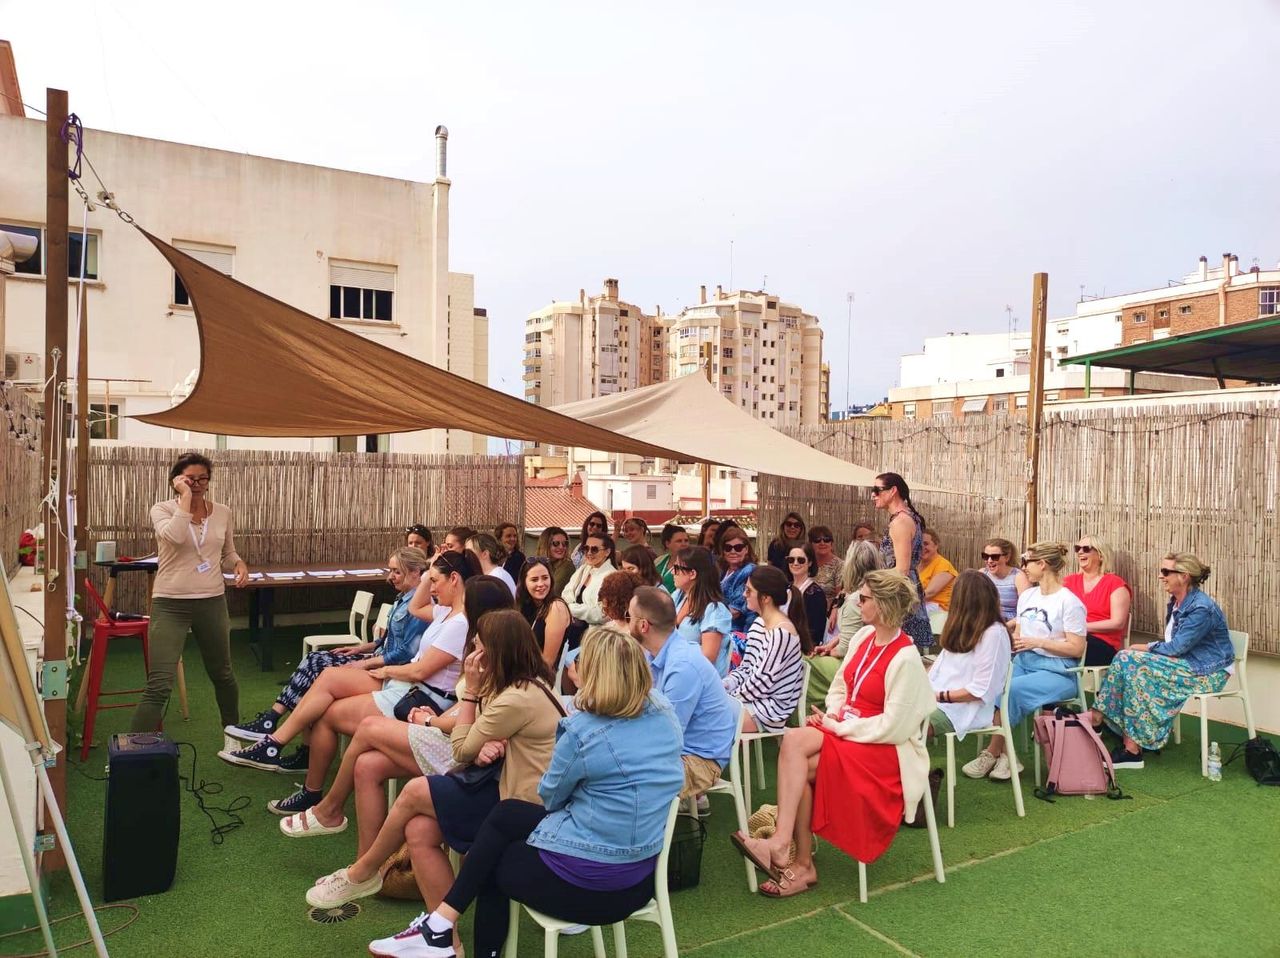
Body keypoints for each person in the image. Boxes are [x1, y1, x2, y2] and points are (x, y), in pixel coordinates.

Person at [367, 628, 683, 958]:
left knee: (488, 856)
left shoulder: (583, 731)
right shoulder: (664, 713)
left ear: (595, 676)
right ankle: (439, 927)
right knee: (506, 815)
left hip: (590, 887)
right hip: (640, 878)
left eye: (580, 663)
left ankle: (446, 936)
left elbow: (551, 797)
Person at [307, 610, 564, 958]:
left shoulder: (516, 696)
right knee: (419, 830)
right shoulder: (526, 684)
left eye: (479, 646)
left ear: (497, 652)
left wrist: (471, 694)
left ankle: (364, 872)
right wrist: (478, 728)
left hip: (519, 806)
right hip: (508, 791)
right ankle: (445, 940)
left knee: (414, 790)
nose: (472, 653)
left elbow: (461, 749)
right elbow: (473, 740)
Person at [731, 569, 934, 898]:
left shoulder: (906, 657)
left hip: (882, 749)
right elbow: (840, 688)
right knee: (794, 742)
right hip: (849, 731)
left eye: (863, 598)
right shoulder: (863, 638)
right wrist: (835, 714)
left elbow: (894, 727)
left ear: (883, 605)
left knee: (800, 767)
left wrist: (839, 725)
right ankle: (786, 849)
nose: (856, 602)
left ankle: (795, 857)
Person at [218, 552, 474, 809]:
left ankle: (308, 788)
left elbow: (420, 671)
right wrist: (430, 569)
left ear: (454, 579)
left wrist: (386, 670)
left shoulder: (459, 622)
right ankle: (273, 744)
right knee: (328, 676)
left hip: (418, 694)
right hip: (406, 683)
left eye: (435, 581)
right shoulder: (445, 611)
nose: (431, 588)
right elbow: (414, 608)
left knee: (327, 715)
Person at [278, 578, 514, 847]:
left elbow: (475, 718)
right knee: (367, 765)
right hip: (452, 731)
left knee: (368, 726)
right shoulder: (480, 645)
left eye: (466, 602)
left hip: (464, 752)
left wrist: (429, 720)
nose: (461, 606)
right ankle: (366, 861)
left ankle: (329, 808)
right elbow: (467, 708)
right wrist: (435, 719)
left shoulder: (490, 657)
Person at [225, 547, 430, 760]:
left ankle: (281, 732)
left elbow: (406, 652)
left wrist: (366, 663)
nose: (390, 577)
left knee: (317, 667)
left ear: (416, 572)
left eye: (397, 571)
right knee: (313, 660)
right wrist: (361, 648)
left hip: (387, 669)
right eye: (391, 570)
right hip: (376, 659)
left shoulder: (418, 607)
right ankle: (278, 727)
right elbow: (387, 640)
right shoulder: (403, 597)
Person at [131, 453, 249, 733]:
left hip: (212, 601)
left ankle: (233, 735)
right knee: (159, 683)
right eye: (189, 479)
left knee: (222, 674)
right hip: (170, 603)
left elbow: (227, 552)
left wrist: (239, 563)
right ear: (176, 481)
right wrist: (185, 498)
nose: (196, 484)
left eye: (202, 479)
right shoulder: (162, 509)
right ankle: (133, 748)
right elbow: (174, 536)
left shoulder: (222, 512)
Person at [1092, 552, 1234, 769]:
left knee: (1129, 659)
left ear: (1184, 576)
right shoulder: (1176, 602)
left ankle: (1116, 736)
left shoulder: (1200, 608)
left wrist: (1145, 647)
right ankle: (1116, 732)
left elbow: (1176, 648)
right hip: (1185, 664)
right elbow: (1175, 648)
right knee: (1126, 660)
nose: (1161, 576)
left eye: (1166, 572)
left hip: (1207, 673)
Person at [963, 542, 1086, 782]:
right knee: (994, 686)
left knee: (1011, 690)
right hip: (1024, 663)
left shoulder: (1069, 602)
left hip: (1059, 672)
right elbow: (1019, 635)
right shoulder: (1028, 596)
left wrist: (1038, 642)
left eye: (1026, 562)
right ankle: (1007, 757)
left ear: (1042, 564)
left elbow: (1077, 647)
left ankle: (995, 752)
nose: (1022, 567)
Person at [630, 586, 738, 803]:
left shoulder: (682, 666)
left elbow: (666, 736)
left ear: (643, 625)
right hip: (681, 751)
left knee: (616, 773)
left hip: (699, 761)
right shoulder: (657, 654)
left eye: (629, 617)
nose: (627, 622)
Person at [724, 565, 811, 733]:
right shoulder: (758, 624)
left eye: (749, 591)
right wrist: (726, 685)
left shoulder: (782, 633)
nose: (744, 595)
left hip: (768, 711)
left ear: (765, 598)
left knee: (708, 716)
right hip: (752, 700)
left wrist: (730, 697)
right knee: (705, 708)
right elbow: (746, 668)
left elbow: (763, 682)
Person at [927, 571, 1012, 740]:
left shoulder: (994, 633)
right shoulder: (961, 628)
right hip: (936, 700)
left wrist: (939, 696)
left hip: (963, 710)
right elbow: (937, 670)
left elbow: (981, 690)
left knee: (907, 726)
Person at [807, 540, 883, 711]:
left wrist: (828, 652)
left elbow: (846, 649)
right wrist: (831, 644)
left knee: (804, 662)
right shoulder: (876, 594)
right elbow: (861, 631)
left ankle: (810, 710)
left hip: (855, 664)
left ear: (850, 566)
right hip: (871, 659)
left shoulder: (855, 600)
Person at [871, 472, 933, 649]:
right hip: (907, 590)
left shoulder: (900, 522)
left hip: (899, 596)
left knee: (899, 649)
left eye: (877, 490)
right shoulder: (909, 517)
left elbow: (901, 570)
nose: (873, 495)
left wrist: (876, 586)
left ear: (893, 491)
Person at [1062, 535, 1131, 667]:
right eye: (1077, 548)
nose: (1080, 552)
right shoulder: (1068, 582)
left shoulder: (1115, 584)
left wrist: (1080, 627)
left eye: (1086, 549)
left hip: (1101, 643)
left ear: (1101, 555)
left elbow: (1117, 623)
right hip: (1070, 636)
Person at [670, 546, 734, 675]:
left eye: (676, 568)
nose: (672, 572)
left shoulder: (715, 610)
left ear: (692, 574)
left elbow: (708, 656)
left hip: (700, 677)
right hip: (677, 669)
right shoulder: (678, 596)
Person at [516, 558, 572, 672]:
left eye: (545, 578)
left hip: (542, 675)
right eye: (534, 580)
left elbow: (547, 662)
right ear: (524, 583)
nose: (541, 584)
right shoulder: (524, 605)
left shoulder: (556, 608)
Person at [561, 532, 616, 628]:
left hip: (595, 632)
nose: (589, 553)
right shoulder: (584, 569)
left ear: (607, 552)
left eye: (594, 549)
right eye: (586, 548)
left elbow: (602, 614)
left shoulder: (612, 577)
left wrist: (570, 608)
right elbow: (566, 594)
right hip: (572, 625)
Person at [786, 544, 829, 648]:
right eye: (791, 560)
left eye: (800, 560)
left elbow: (815, 632)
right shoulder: (785, 588)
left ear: (810, 562)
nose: (795, 563)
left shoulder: (816, 593)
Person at [719, 527, 758, 637]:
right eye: (728, 548)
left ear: (746, 549)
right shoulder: (722, 571)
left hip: (738, 633)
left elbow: (735, 611)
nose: (733, 551)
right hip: (722, 629)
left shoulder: (749, 571)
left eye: (738, 547)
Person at [980, 537, 1029, 621]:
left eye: (995, 557)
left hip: (1010, 624)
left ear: (1007, 557)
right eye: (985, 556)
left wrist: (1006, 626)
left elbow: (1027, 611)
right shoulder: (982, 574)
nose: (989, 560)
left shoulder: (1018, 577)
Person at [917, 528, 958, 614]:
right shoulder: (916, 564)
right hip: (922, 606)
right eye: (919, 544)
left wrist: (904, 601)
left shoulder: (944, 565)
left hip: (939, 610)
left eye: (926, 544)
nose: (922, 547)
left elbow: (929, 593)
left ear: (936, 545)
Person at [467, 533, 517, 597]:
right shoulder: (494, 575)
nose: (466, 555)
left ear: (485, 554)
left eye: (470, 552)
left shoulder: (496, 578)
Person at [808, 525, 843, 605]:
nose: (822, 543)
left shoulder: (839, 565)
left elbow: (840, 595)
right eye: (817, 540)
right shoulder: (805, 563)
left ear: (831, 543)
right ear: (810, 544)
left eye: (826, 540)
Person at [535, 526, 575, 596]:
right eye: (556, 543)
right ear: (546, 545)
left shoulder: (567, 566)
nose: (561, 547)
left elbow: (554, 592)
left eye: (565, 543)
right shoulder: (537, 564)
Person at [654, 524, 691, 593]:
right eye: (679, 541)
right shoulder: (659, 560)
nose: (684, 544)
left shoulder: (691, 563)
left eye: (686, 541)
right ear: (667, 543)